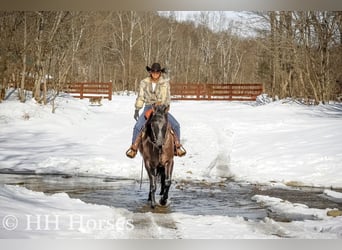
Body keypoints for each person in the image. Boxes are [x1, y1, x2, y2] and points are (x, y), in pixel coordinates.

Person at [126, 62, 186, 158]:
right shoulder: (144, 82)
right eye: (153, 72)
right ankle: (134, 148)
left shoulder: (164, 83)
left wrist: (162, 104)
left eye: (157, 72)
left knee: (176, 125)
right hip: (149, 106)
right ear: (150, 72)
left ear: (160, 73)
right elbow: (141, 96)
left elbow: (166, 97)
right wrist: (137, 109)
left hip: (161, 108)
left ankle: (177, 146)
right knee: (138, 126)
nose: (155, 74)